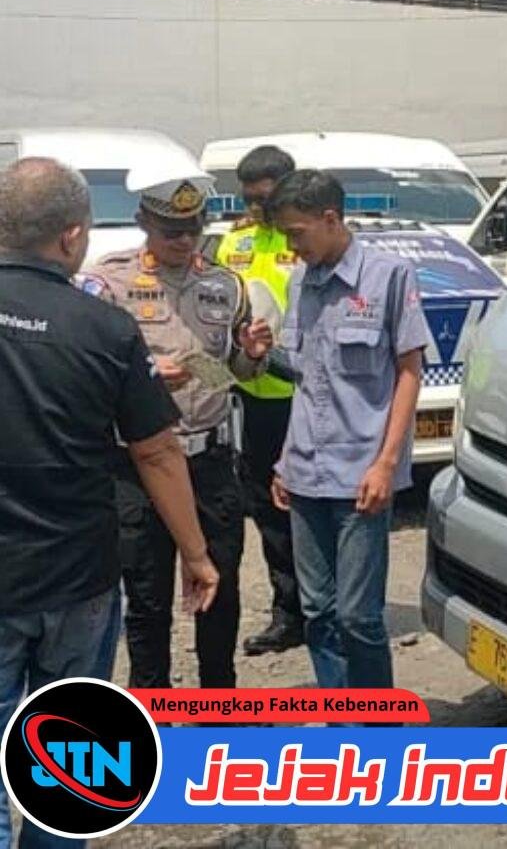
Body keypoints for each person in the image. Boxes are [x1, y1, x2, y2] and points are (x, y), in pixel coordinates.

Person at [0, 158, 218, 849]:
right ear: (71, 236)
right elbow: (157, 453)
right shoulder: (105, 327)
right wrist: (197, 555)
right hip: (78, 577)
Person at [81, 162, 273, 689]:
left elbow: (227, 371)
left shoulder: (224, 284)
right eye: (172, 231)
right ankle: (152, 708)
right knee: (147, 597)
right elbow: (88, 371)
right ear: (144, 222)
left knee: (221, 590)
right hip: (138, 465)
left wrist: (252, 356)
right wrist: (143, 378)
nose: (184, 241)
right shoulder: (108, 282)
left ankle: (218, 708)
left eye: (193, 229)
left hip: (208, 460)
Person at [267, 170, 429, 692]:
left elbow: (409, 373)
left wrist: (387, 463)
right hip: (305, 474)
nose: (291, 247)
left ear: (330, 218)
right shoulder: (300, 282)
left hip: (362, 475)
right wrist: (285, 461)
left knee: (358, 615)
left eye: (297, 233)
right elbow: (305, 380)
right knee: (317, 610)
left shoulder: (388, 277)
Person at [215, 145, 303, 656]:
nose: (255, 207)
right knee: (267, 507)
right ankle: (288, 612)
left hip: (305, 394)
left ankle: (327, 607)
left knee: (314, 504)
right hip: (251, 394)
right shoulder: (236, 241)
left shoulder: (306, 238)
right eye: (248, 198)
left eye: (264, 198)